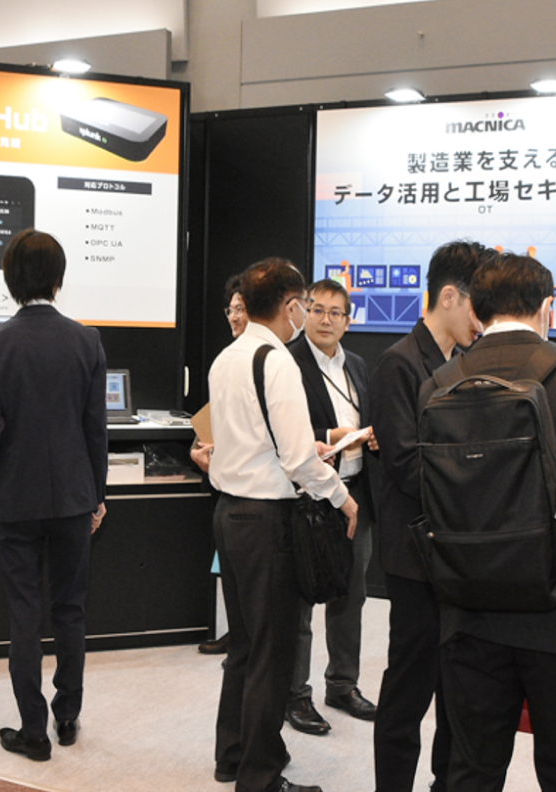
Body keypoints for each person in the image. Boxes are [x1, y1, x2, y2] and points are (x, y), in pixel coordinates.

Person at [439, 251, 556, 792]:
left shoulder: (441, 383)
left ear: (475, 311)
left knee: (471, 770)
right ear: (548, 307)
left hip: (470, 605)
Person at [209, 258, 359, 792]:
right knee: (273, 653)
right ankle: (261, 775)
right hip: (267, 521)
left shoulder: (227, 357)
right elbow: (298, 461)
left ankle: (233, 755)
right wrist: (343, 497)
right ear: (292, 306)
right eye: (306, 306)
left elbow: (255, 441)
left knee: (245, 646)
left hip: (228, 513)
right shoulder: (277, 361)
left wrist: (302, 452)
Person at [0, 229, 109, 762]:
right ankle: (67, 715)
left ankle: (33, 731)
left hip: (16, 498)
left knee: (24, 614)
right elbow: (95, 429)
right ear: (58, 279)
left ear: (10, 280)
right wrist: (96, 493)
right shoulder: (87, 341)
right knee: (71, 609)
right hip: (74, 496)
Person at [368, 240, 486, 792]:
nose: (481, 319)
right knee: (408, 688)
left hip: (459, 555)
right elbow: (404, 465)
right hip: (416, 558)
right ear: (449, 296)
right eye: (476, 304)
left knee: (457, 691)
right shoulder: (399, 363)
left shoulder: (465, 362)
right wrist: (475, 483)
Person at [284, 278, 380, 735]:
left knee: (350, 595)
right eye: (317, 310)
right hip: (307, 496)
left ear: (348, 320)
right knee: (301, 598)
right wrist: (330, 437)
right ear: (304, 312)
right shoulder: (287, 361)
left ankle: (342, 684)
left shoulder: (357, 365)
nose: (325, 320)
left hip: (355, 494)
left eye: (335, 312)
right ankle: (295, 694)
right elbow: (283, 430)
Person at [196, 274, 248, 656]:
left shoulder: (271, 361)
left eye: (241, 309)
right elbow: (212, 421)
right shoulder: (225, 361)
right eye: (230, 310)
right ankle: (236, 631)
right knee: (229, 567)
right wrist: (201, 448)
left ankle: (243, 637)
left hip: (255, 489)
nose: (234, 317)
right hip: (227, 484)